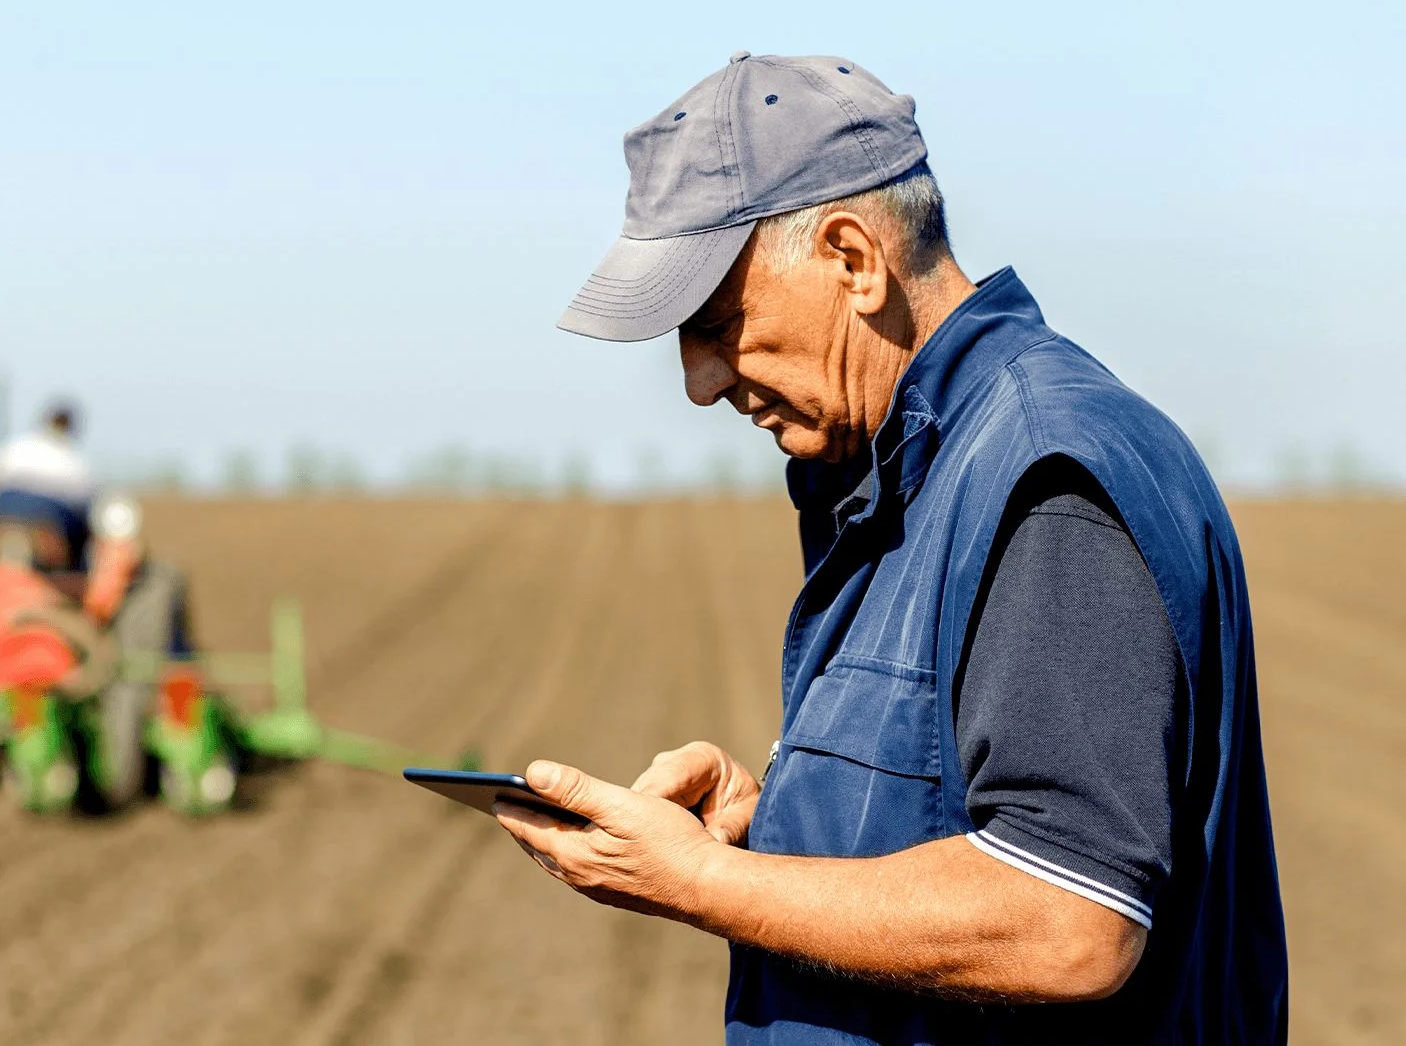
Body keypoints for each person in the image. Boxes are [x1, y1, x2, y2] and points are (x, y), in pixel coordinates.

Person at [491, 53, 1287, 1043]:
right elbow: (955, 808)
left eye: (717, 322)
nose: (698, 382)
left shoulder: (1044, 477)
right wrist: (779, 813)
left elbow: (1067, 920)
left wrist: (703, 879)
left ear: (854, 259)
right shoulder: (917, 468)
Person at [0, 401, 95, 572]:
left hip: (6, 514)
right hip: (49, 518)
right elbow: (86, 506)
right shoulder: (75, 462)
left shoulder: (18, 447)